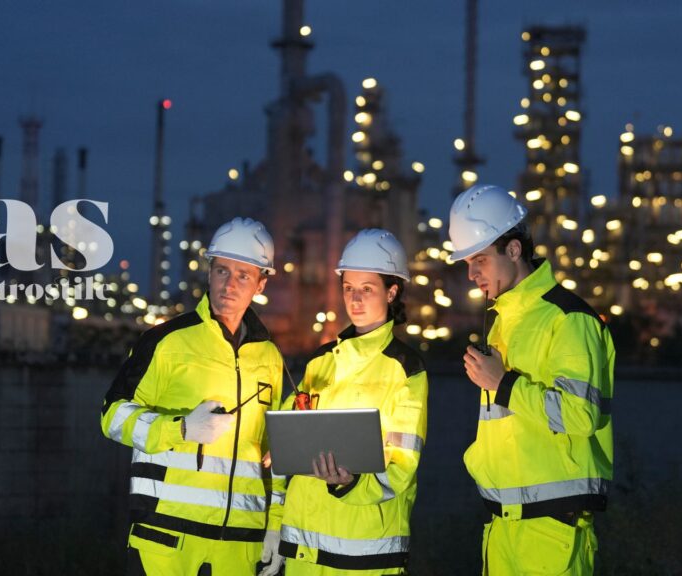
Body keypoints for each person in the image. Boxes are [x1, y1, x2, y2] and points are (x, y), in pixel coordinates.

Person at [100, 216, 286, 576]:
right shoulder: (166, 341)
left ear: (261, 282)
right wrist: (181, 429)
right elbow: (112, 416)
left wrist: (276, 525)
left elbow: (274, 453)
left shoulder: (270, 359)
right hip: (166, 544)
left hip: (239, 549)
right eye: (221, 271)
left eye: (243, 275)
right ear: (209, 272)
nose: (229, 284)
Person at [447, 184, 616, 576]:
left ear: (513, 250)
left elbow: (580, 415)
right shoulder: (503, 322)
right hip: (503, 526)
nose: (471, 274)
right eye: (467, 263)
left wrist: (503, 384)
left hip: (551, 531)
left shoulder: (568, 318)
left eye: (480, 261)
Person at [261, 229, 428, 576]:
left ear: (391, 291)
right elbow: (283, 443)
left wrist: (349, 482)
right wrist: (275, 525)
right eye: (349, 288)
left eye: (367, 289)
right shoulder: (319, 362)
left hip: (364, 555)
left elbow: (402, 469)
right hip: (302, 551)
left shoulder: (406, 369)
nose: (355, 299)